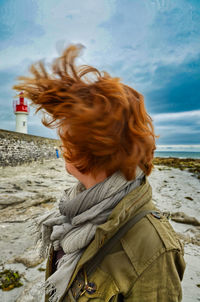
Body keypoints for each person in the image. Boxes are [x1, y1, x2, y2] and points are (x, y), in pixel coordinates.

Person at [14, 45, 185, 302]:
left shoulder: (153, 248)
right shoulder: (77, 206)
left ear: (93, 150)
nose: (61, 144)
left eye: (68, 137)